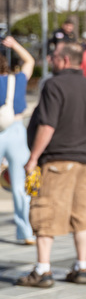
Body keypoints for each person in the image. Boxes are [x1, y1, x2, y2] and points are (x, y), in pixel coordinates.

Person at [16, 41, 86, 287]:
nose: (51, 60)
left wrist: (33, 158)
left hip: (55, 161)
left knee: (44, 212)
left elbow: (47, 126)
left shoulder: (53, 85)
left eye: (54, 57)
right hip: (83, 164)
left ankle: (43, 270)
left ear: (65, 60)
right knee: (82, 216)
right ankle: (81, 268)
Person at [0, 35, 35, 245]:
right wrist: (14, 45)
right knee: (20, 185)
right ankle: (25, 231)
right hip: (16, 131)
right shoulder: (17, 80)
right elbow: (30, 61)